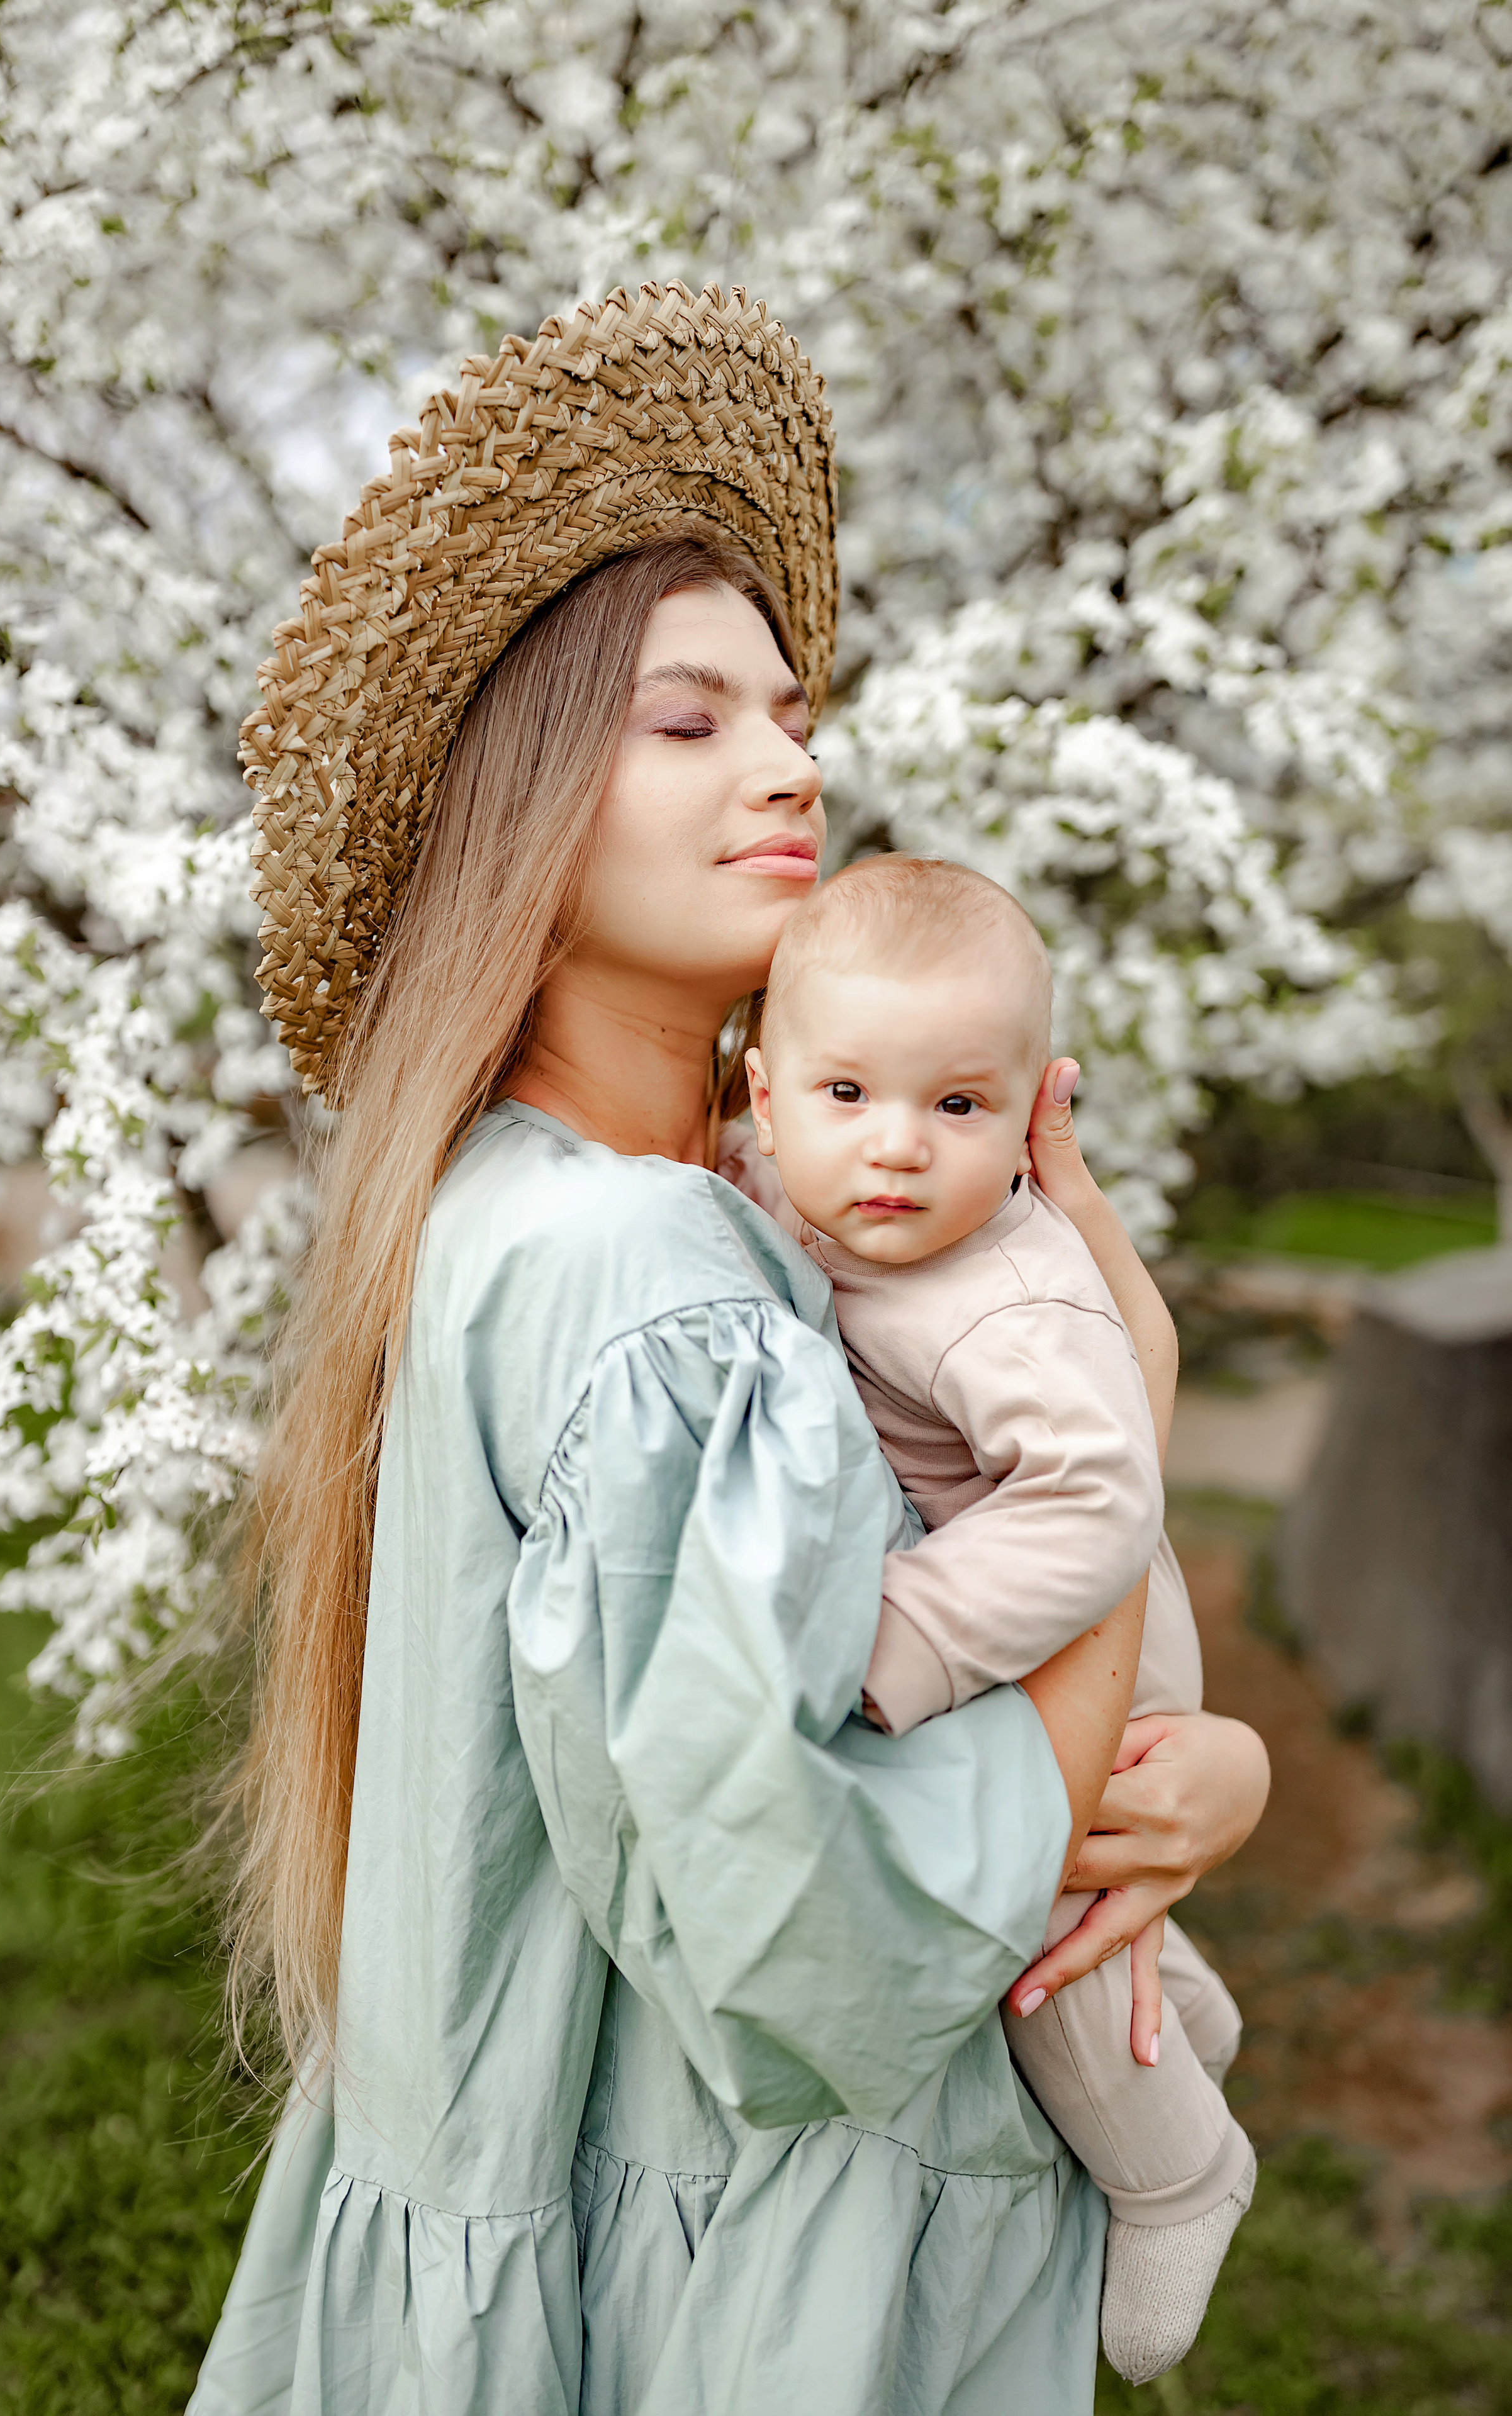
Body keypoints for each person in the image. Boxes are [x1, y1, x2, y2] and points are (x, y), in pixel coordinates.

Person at [188, 282, 1269, 2416]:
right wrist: (1110, 1459)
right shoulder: (655, 1286)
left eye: (788, 711)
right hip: (736, 2300)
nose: (795, 758)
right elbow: (819, 1948)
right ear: (518, 802)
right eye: (689, 722)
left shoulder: (569, 1202)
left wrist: (1181, 1785)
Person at [735, 855, 1255, 2386]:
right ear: (765, 1099)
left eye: (957, 1108)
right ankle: (1186, 2009)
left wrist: (890, 1643)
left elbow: (1093, 1503)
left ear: (1030, 1115)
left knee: (1025, 1903)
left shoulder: (996, 1296)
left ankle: (1175, 2172)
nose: (894, 1150)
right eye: (847, 1094)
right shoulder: (807, 1190)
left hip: (1068, 1625)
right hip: (1024, 1614)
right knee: (1070, 1896)